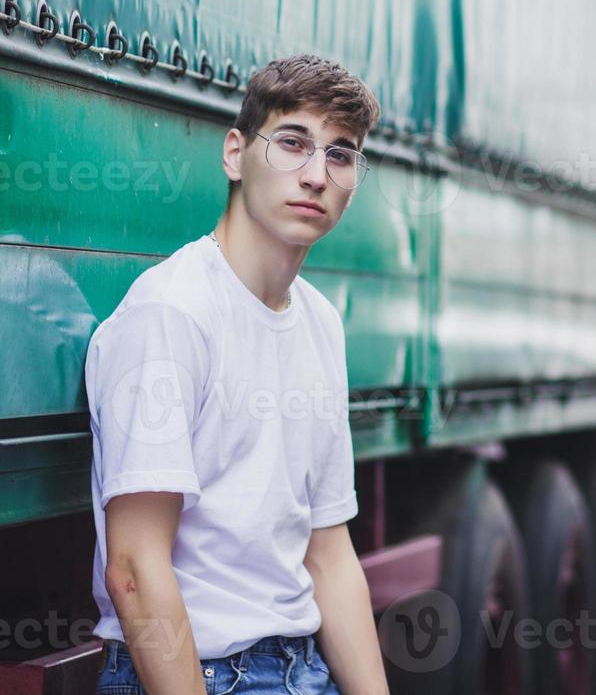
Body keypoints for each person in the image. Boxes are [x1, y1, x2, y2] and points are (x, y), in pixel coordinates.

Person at [86, 55, 391, 694]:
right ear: (234, 153)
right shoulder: (172, 313)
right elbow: (135, 567)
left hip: (302, 671)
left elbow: (329, 554)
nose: (315, 175)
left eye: (340, 155)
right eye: (292, 143)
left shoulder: (320, 322)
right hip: (201, 674)